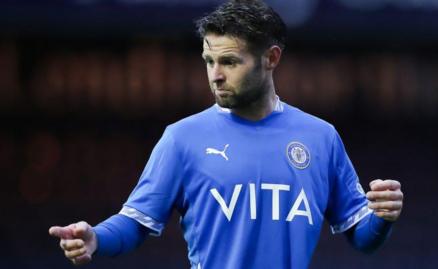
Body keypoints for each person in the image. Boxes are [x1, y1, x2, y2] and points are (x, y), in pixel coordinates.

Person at [49, 0, 404, 268]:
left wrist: (383, 218)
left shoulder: (320, 138)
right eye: (208, 61)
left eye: (230, 62)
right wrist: (96, 237)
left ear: (271, 58)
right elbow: (136, 222)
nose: (215, 75)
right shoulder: (182, 138)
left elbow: (362, 235)